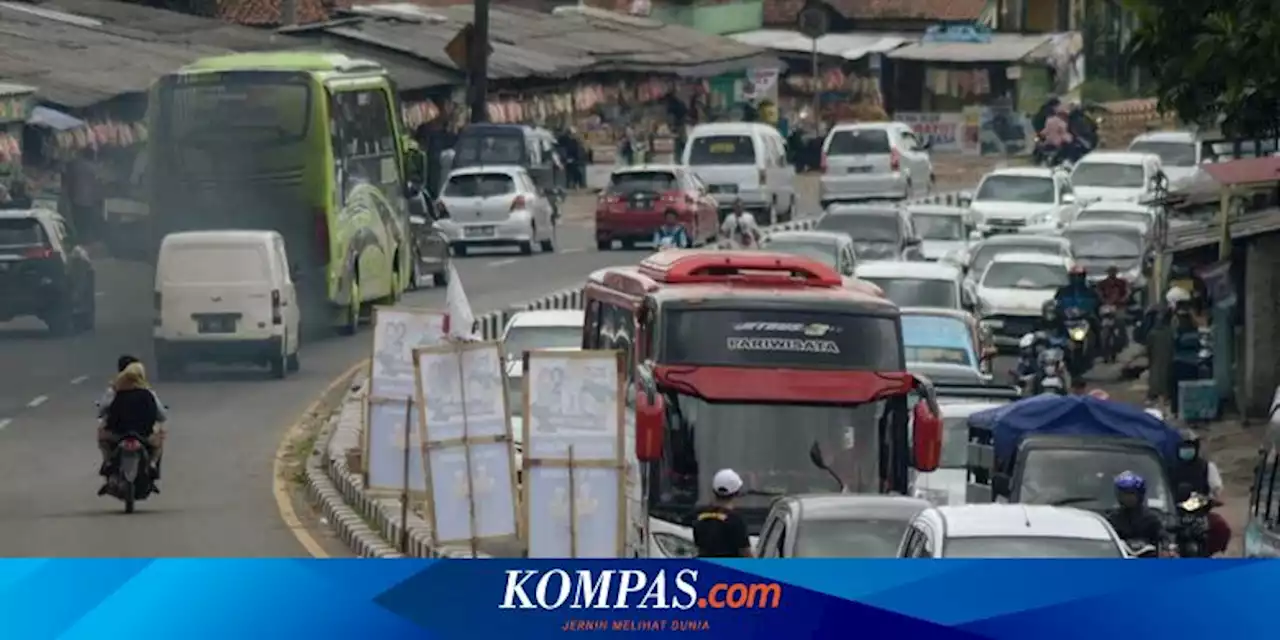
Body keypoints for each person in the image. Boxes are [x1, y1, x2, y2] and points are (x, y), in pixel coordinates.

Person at [97, 360, 167, 493]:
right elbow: (158, 415)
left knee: (102, 437)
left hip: (119, 434)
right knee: (160, 440)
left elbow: (112, 415)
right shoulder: (148, 394)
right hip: (144, 435)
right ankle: (152, 464)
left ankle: (108, 462)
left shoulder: (118, 394)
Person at [1169, 429, 1230, 555]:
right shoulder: (1169, 467)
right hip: (1174, 514)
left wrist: (1211, 499)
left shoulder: (1207, 467)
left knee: (1220, 527)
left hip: (1199, 514)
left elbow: (1216, 489)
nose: (1186, 450)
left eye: (1190, 447)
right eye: (1184, 447)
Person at [691, 469, 753, 558]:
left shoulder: (699, 516)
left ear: (713, 490)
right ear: (737, 493)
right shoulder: (736, 520)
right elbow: (746, 554)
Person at [1104, 471, 1171, 550]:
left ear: (1139, 495)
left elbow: (1162, 537)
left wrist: (1166, 545)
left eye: (1131, 493)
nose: (1128, 498)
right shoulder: (1113, 519)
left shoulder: (1150, 519)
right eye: (1125, 494)